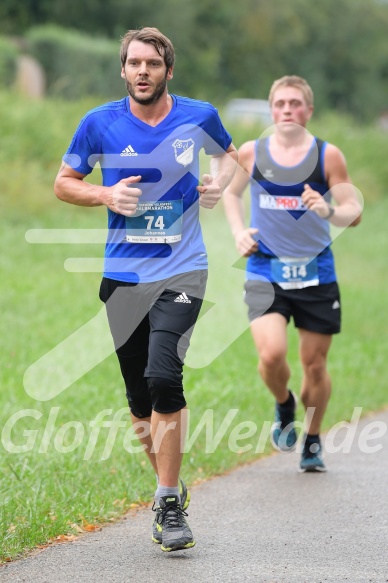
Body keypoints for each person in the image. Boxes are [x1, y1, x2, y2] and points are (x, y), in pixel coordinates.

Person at [54, 27, 237, 551]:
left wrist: (218, 184)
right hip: (124, 277)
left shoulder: (198, 116)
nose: (142, 71)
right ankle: (170, 487)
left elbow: (230, 156)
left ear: (168, 70)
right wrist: (105, 193)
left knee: (164, 376)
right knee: (139, 401)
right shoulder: (99, 123)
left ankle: (167, 504)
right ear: (123, 70)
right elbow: (64, 182)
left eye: (152, 64)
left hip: (183, 271)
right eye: (133, 63)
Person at [223, 75, 362, 472]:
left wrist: (329, 211)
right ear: (272, 109)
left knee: (315, 365)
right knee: (271, 355)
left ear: (309, 110)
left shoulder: (327, 155)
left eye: (295, 103)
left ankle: (313, 439)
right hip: (265, 268)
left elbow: (354, 212)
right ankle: (284, 404)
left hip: (316, 273)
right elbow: (232, 194)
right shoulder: (252, 152)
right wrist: (237, 232)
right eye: (281, 103)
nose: (288, 109)